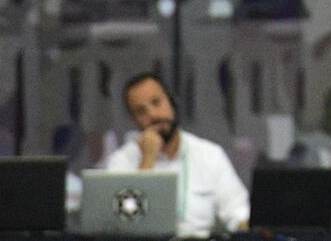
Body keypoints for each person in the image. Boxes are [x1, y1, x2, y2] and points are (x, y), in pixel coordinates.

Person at [103, 72, 249, 237]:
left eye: (156, 102)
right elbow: (124, 226)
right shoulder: (120, 162)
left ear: (171, 102)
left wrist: (247, 228)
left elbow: (238, 214)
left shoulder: (210, 155)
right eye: (141, 111)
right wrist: (147, 161)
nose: (152, 114)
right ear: (134, 120)